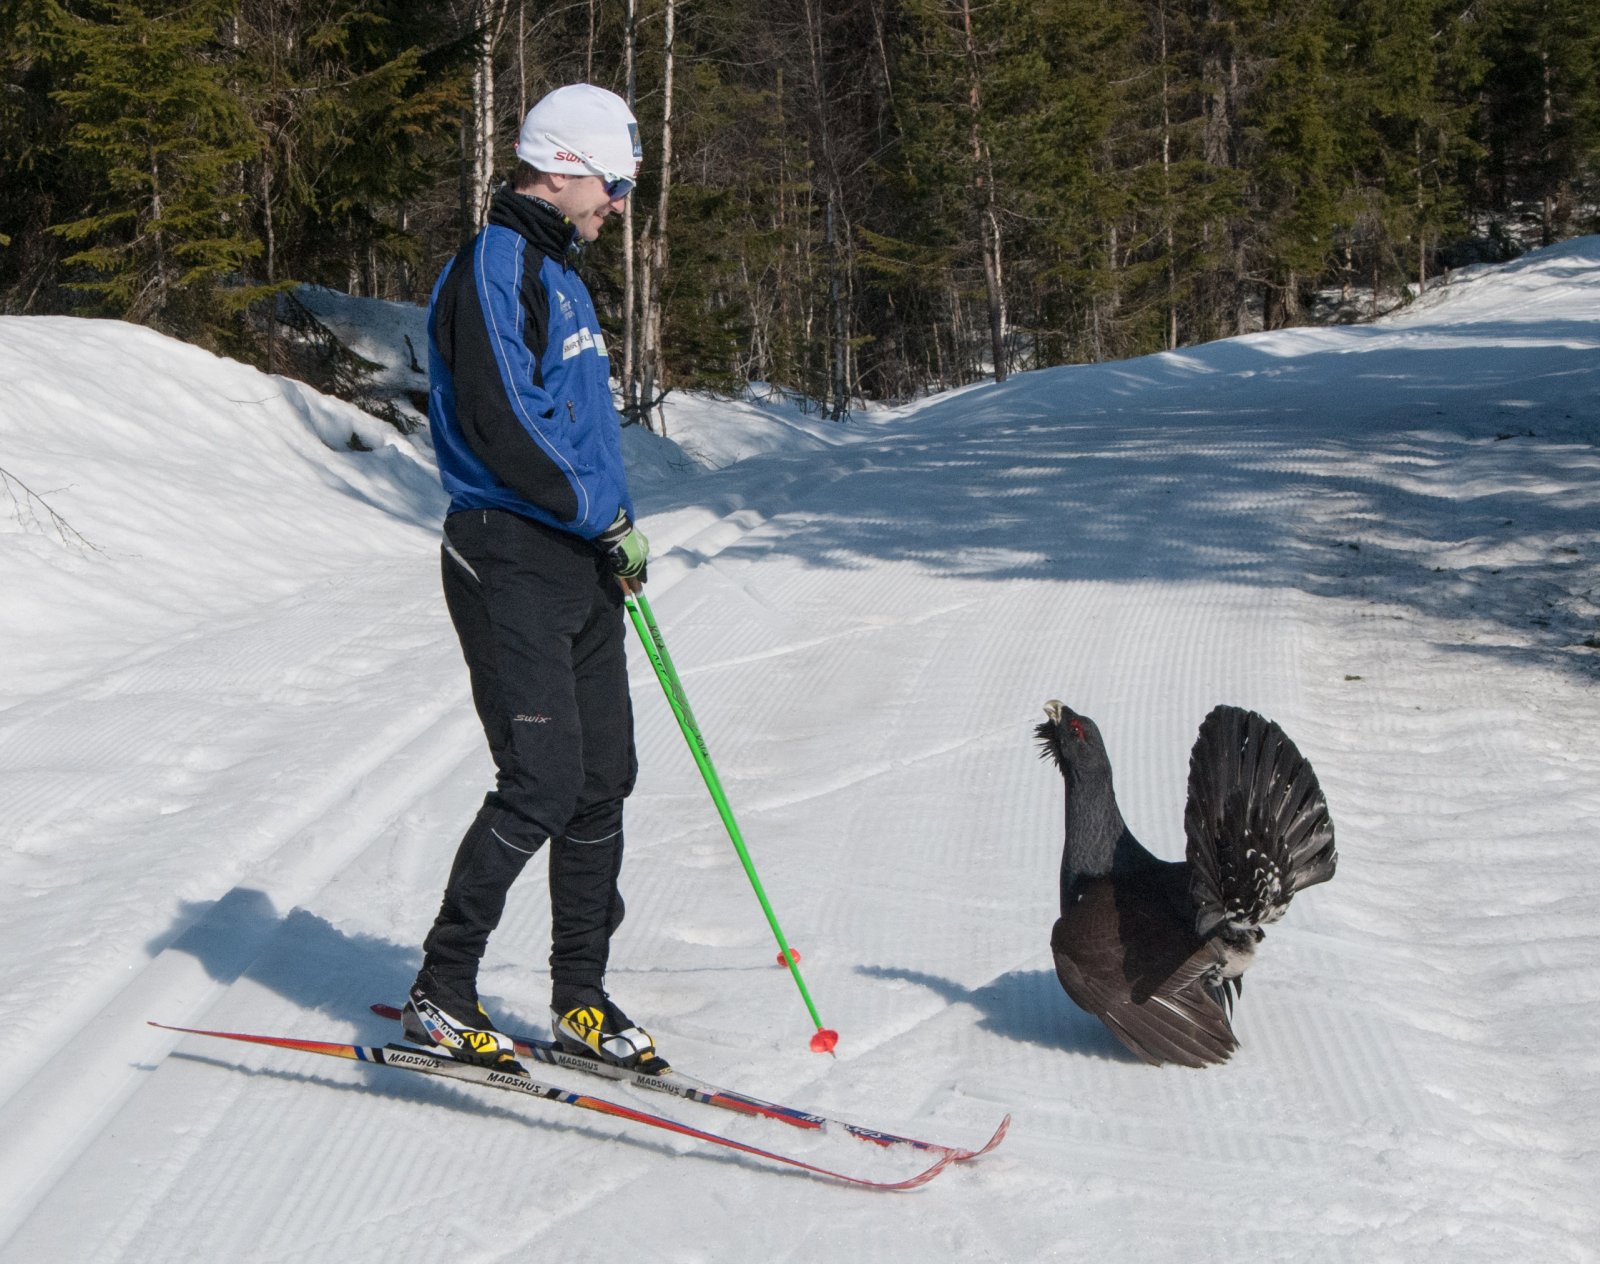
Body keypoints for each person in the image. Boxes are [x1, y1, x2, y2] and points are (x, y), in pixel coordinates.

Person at [402, 83, 665, 1075]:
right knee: (542, 781)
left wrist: (616, 524)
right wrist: (598, 514)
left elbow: (580, 427)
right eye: (614, 181)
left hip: (577, 557)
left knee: (603, 781)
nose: (620, 201)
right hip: (506, 551)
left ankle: (580, 999)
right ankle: (442, 988)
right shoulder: (494, 264)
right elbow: (508, 424)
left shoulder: (561, 273)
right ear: (561, 166)